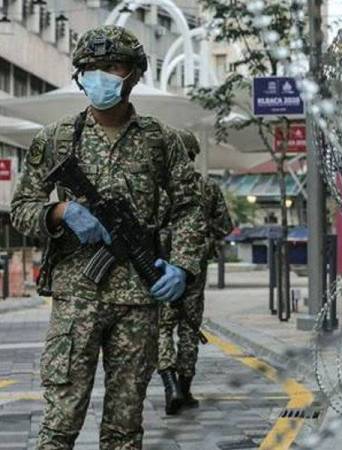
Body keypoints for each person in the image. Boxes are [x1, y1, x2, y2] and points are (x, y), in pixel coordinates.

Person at [10, 25, 207, 449]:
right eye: (91, 68)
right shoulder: (57, 139)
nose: (101, 76)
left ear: (133, 73)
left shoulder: (161, 141)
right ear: (80, 75)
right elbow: (22, 207)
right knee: (60, 423)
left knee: (124, 428)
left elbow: (191, 208)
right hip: (75, 299)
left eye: (112, 66)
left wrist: (183, 266)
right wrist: (60, 211)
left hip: (139, 299)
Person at [157, 129, 233, 415]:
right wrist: (206, 239)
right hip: (195, 267)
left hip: (160, 266)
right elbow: (225, 225)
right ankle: (185, 388)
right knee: (189, 327)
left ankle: (169, 383)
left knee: (162, 326)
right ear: (193, 153)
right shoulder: (208, 187)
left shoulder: (159, 187)